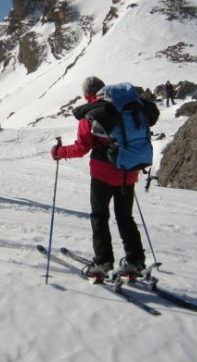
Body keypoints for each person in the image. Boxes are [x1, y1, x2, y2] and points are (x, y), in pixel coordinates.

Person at [50, 76, 146, 276]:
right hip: (129, 170)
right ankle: (135, 260)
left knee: (99, 216)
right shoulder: (125, 108)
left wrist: (59, 152)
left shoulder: (92, 113)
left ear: (86, 94)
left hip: (103, 172)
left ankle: (103, 261)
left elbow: (81, 147)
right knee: (125, 217)